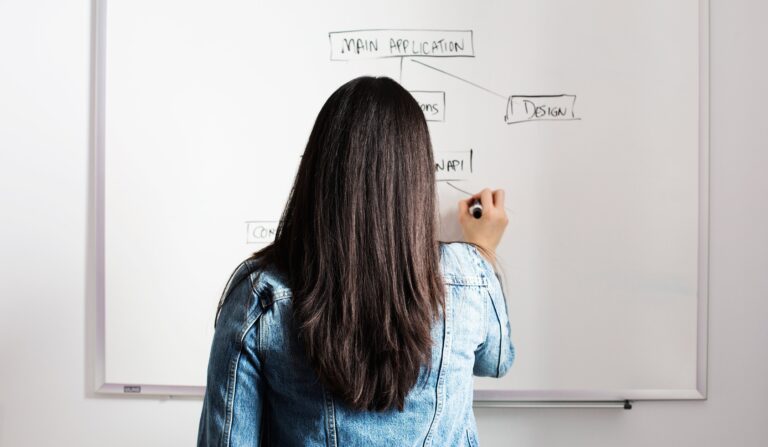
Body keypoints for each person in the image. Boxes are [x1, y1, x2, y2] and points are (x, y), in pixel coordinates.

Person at [197, 76, 514, 446]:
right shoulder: (467, 276)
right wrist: (483, 251)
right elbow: (496, 360)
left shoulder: (262, 295)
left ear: (317, 171)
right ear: (419, 178)